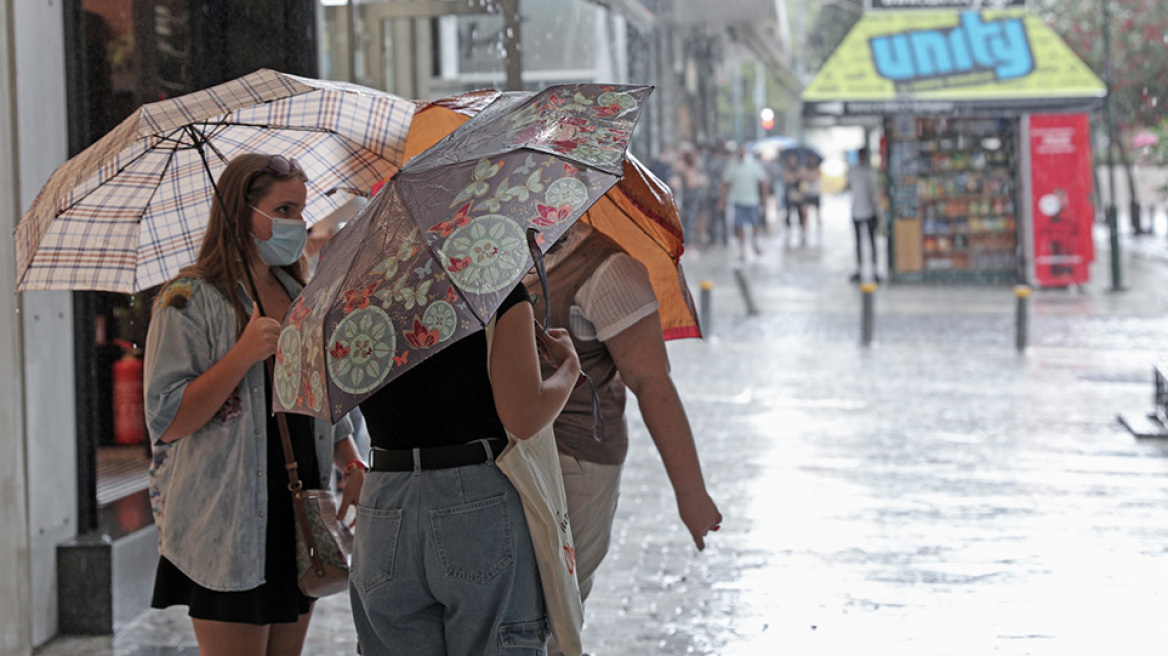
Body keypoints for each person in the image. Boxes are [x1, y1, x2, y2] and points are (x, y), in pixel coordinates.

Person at [144, 153, 366, 656]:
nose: (297, 223)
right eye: (284, 209)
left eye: (300, 210)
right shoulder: (188, 299)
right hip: (229, 521)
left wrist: (349, 458)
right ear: (243, 212)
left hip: (301, 512)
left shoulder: (299, 291)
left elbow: (322, 396)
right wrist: (242, 355)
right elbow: (168, 418)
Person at [350, 280, 582, 653]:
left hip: (383, 504)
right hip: (475, 503)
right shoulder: (491, 284)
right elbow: (524, 414)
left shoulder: (359, 290)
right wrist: (570, 366)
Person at [524, 223, 723, 656]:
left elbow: (652, 383)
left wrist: (691, 493)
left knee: (556, 612)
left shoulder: (607, 270)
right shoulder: (495, 254)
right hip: (510, 459)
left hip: (576, 459)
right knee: (519, 613)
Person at [719, 143, 770, 260]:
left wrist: (764, 197)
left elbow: (763, 181)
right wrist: (722, 199)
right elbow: (725, 183)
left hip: (752, 200)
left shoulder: (753, 165)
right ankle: (742, 249)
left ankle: (754, 243)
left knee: (755, 224)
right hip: (738, 200)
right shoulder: (732, 166)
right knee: (739, 226)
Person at [847, 146, 881, 283]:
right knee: (861, 243)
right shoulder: (857, 171)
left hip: (867, 211)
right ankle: (861, 269)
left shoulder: (865, 171)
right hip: (859, 210)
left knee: (871, 242)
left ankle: (873, 269)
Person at [674, 147, 708, 245]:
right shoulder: (686, 169)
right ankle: (688, 245)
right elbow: (691, 183)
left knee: (692, 221)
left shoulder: (692, 168)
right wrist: (700, 181)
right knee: (689, 221)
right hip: (689, 199)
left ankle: (690, 242)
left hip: (693, 199)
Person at [780, 151, 803, 232]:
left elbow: (801, 177)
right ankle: (788, 230)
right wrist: (794, 177)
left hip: (798, 194)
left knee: (800, 213)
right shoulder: (786, 169)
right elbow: (788, 179)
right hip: (789, 194)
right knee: (788, 213)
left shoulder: (799, 168)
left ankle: (801, 230)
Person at [800, 154, 823, 233]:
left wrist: (807, 174)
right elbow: (802, 177)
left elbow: (813, 177)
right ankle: (805, 229)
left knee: (817, 213)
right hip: (808, 193)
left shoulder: (818, 170)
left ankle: (819, 228)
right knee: (805, 212)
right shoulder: (805, 169)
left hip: (815, 193)